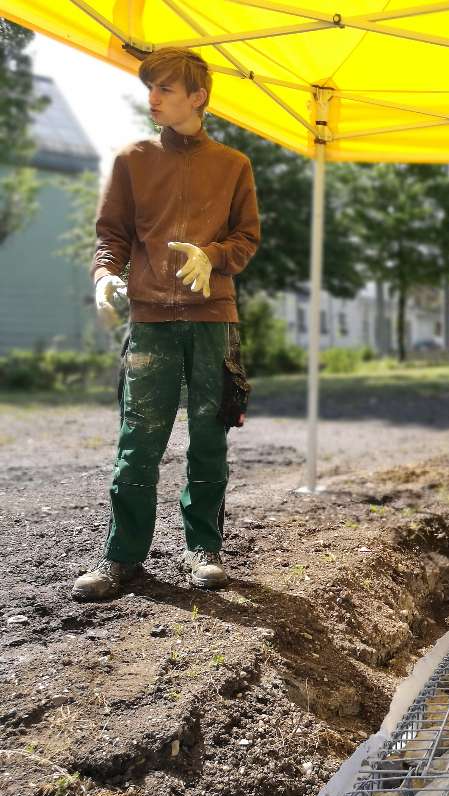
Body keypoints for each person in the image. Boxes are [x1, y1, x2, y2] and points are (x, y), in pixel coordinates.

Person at [73, 47, 260, 602]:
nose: (151, 98)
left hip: (212, 322)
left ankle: (203, 549)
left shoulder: (234, 166)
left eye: (164, 89)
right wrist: (105, 276)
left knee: (209, 438)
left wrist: (213, 255)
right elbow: (112, 236)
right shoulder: (132, 159)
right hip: (150, 320)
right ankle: (121, 558)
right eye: (149, 88)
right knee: (138, 442)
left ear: (197, 96)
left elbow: (246, 239)